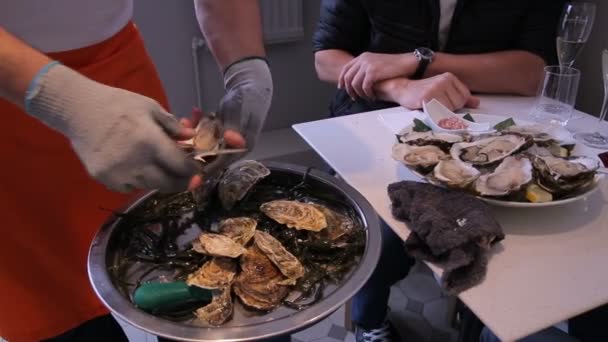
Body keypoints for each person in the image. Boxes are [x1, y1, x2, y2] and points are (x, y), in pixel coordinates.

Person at [0, 1, 272, 341]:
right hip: (9, 109)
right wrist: (62, 98)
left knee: (190, 285)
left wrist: (246, 68)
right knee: (68, 323)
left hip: (118, 73)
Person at [312, 0, 565, 341]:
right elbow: (326, 59)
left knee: (517, 240)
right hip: (372, 115)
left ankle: (477, 320)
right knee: (382, 235)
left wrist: (418, 60)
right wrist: (399, 87)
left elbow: (532, 72)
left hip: (481, 125)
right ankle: (369, 319)